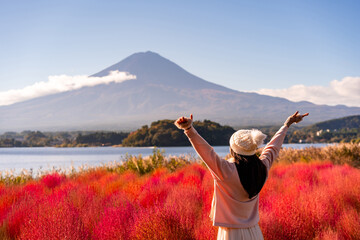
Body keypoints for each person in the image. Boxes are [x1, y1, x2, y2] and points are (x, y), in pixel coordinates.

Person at [174, 111, 309, 240]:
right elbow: (273, 147)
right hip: (254, 232)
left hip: (230, 234)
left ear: (233, 150)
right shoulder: (262, 168)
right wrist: (286, 125)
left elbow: (206, 151)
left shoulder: (225, 171)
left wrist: (189, 129)